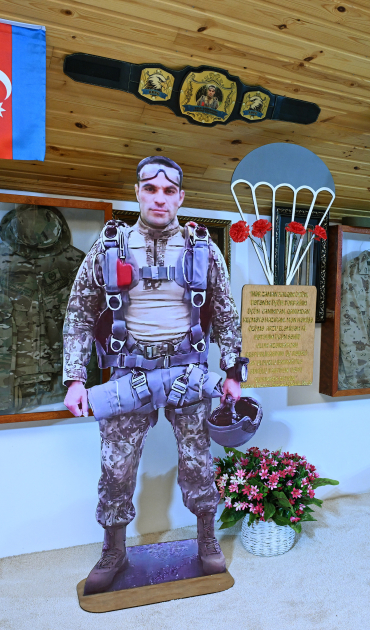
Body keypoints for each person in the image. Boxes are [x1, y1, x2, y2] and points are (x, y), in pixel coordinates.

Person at [61, 156, 245, 594]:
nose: (159, 198)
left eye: (168, 191)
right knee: (116, 468)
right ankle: (114, 549)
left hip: (188, 372)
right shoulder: (110, 247)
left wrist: (232, 372)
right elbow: (80, 314)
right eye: (150, 189)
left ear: (180, 197)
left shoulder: (203, 248)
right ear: (137, 193)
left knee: (199, 462)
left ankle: (206, 537)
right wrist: (75, 379)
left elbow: (225, 314)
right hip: (128, 374)